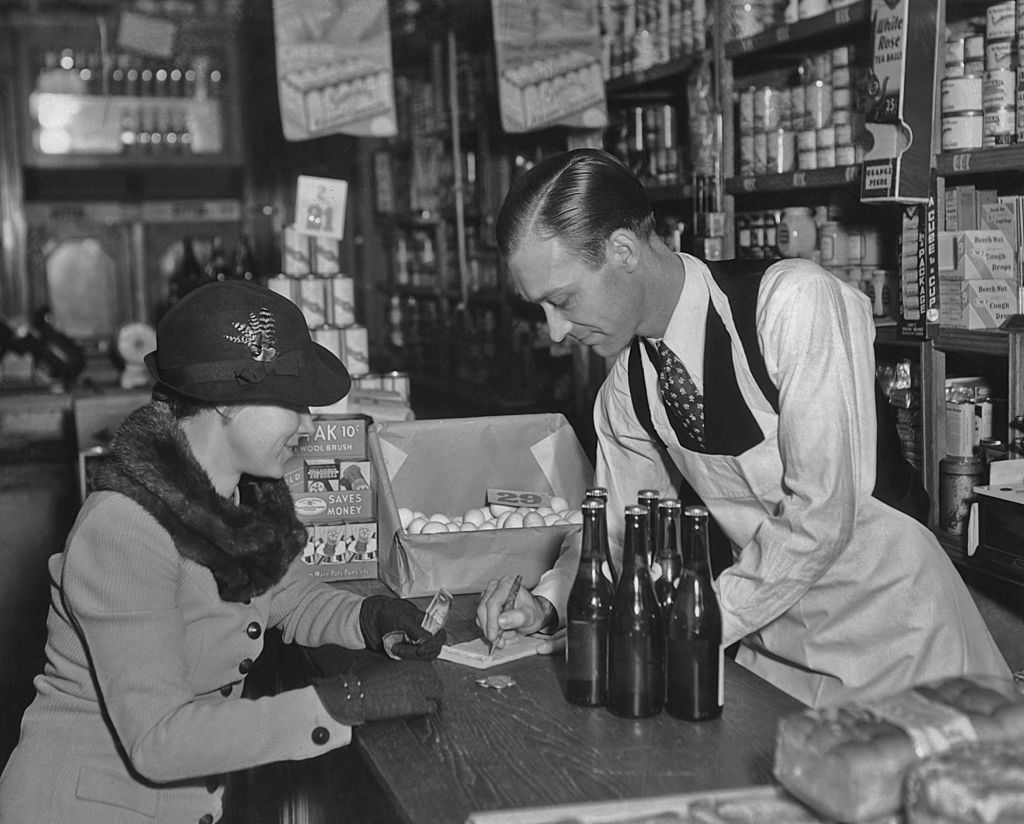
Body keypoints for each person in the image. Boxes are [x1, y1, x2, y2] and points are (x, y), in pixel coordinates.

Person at [476, 148, 1010, 708]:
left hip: (899, 634)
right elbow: (616, 534)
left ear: (623, 250)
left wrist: (695, 621)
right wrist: (551, 600)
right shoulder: (626, 393)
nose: (555, 331)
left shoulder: (791, 305)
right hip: (774, 646)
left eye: (562, 300)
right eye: (541, 308)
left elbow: (822, 516)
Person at [0, 280, 445, 823]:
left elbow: (288, 597)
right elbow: (159, 740)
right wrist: (346, 702)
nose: (308, 426)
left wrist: (372, 618)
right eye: (293, 404)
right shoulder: (123, 528)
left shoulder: (241, 499)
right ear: (224, 402)